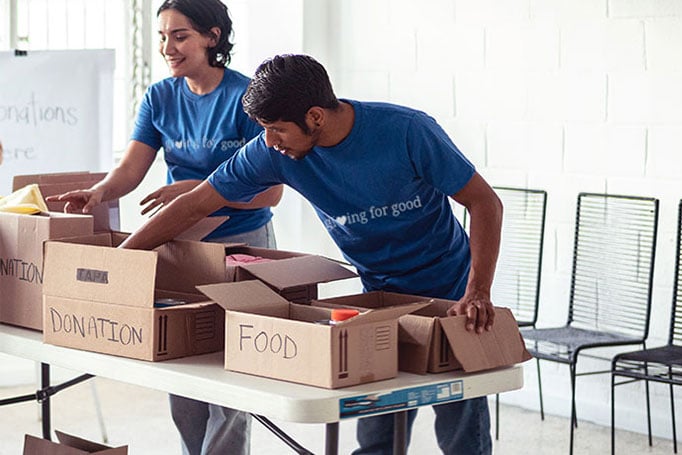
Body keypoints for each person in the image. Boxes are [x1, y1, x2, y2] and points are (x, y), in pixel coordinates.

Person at [119, 53, 503, 454]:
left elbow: (485, 203)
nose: (270, 140)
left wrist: (478, 290)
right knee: (377, 432)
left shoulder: (408, 131)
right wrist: (122, 259)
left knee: (461, 429)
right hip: (379, 293)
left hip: (451, 287)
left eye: (277, 129)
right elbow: (196, 203)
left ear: (315, 117)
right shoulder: (274, 152)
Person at [48, 1, 282, 454]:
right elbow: (131, 168)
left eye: (179, 36)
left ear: (212, 37)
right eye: (162, 37)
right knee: (184, 366)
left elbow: (269, 193)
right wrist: (99, 193)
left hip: (243, 243)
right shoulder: (160, 96)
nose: (166, 48)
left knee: (231, 374)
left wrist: (195, 190)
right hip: (181, 244)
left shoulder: (246, 98)